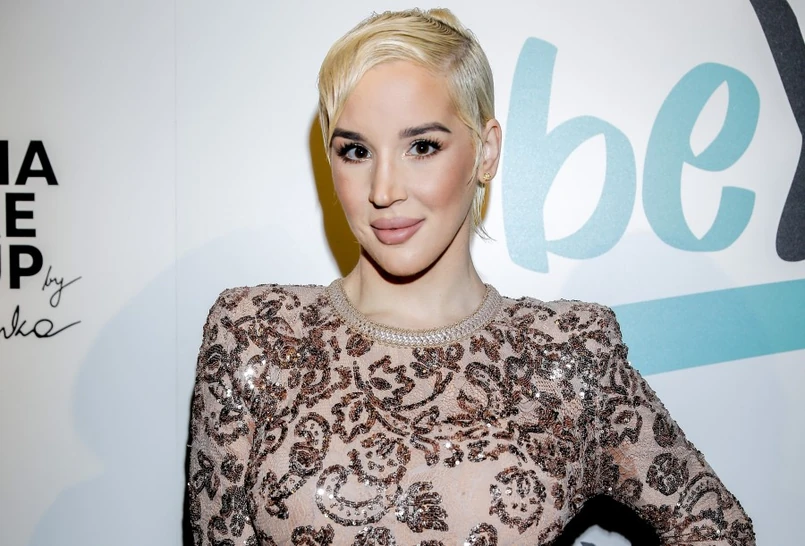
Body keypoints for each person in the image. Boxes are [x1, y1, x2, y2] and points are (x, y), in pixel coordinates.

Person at [186, 8, 755, 545]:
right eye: (356, 151)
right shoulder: (256, 335)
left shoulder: (566, 355)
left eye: (422, 146)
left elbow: (715, 528)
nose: (383, 190)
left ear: (486, 152)